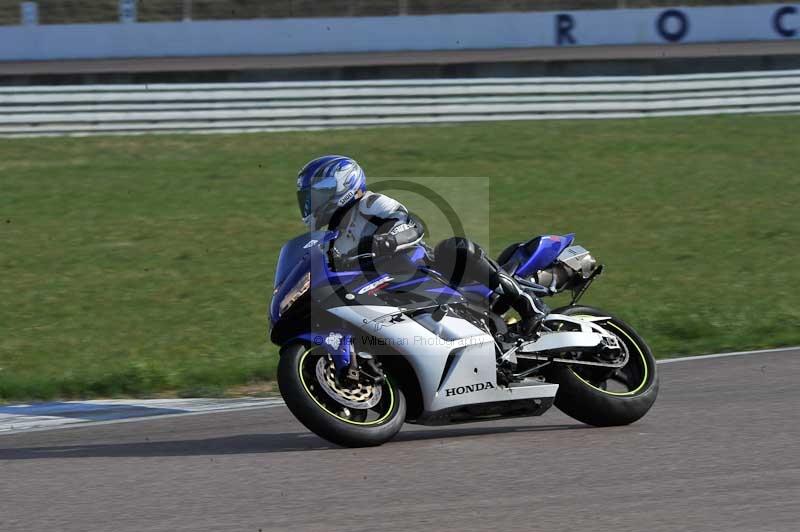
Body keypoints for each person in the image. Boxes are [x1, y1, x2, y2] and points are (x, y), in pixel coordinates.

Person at [296, 155, 545, 334]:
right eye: (307, 196)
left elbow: (412, 224)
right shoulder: (333, 236)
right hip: (383, 287)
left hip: (423, 269)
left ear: (343, 185)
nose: (311, 202)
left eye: (317, 193)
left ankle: (529, 307)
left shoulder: (370, 204)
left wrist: (390, 239)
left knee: (455, 247)